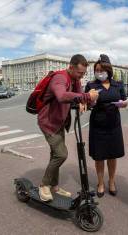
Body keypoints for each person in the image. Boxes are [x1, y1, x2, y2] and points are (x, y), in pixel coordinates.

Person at [38, 54, 99, 202]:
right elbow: (61, 96)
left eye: (84, 73)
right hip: (49, 123)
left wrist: (87, 103)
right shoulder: (60, 78)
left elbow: (77, 97)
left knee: (55, 155)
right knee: (61, 154)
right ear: (71, 67)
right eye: (80, 73)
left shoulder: (75, 80)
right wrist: (85, 97)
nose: (81, 76)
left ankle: (54, 186)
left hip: (59, 122)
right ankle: (44, 185)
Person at [84, 54, 128, 198]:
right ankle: (101, 183)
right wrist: (91, 102)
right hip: (98, 125)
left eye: (102, 70)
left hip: (114, 125)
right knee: (99, 156)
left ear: (109, 71)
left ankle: (112, 182)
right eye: (97, 70)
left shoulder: (118, 84)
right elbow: (85, 103)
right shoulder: (91, 85)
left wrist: (123, 104)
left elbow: (124, 100)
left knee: (112, 155)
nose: (99, 72)